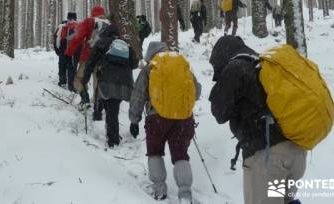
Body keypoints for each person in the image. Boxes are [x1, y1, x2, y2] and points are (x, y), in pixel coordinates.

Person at [208, 36, 306, 204]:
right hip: (295, 150)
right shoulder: (264, 65)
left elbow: (219, 112)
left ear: (221, 55)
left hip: (267, 158)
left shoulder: (235, 68)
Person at [129, 41, 201, 202]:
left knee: (155, 152)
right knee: (181, 155)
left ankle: (160, 189)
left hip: (157, 119)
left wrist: (134, 119)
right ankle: (185, 193)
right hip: (183, 118)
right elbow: (197, 91)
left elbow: (138, 95)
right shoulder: (181, 64)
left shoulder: (150, 68)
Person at [81, 24, 138, 147]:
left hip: (107, 80)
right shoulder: (125, 44)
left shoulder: (101, 43)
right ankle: (114, 134)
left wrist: (84, 80)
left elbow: (90, 63)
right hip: (125, 82)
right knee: (113, 108)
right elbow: (134, 64)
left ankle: (113, 140)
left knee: (111, 109)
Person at [65, 5, 110, 119]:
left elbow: (78, 37)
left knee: (79, 80)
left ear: (92, 13)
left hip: (88, 57)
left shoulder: (89, 21)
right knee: (98, 82)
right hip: (103, 59)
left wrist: (69, 52)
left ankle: (85, 99)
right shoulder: (109, 24)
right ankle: (98, 106)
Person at [53, 12, 78, 91]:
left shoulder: (61, 26)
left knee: (62, 65)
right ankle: (71, 86)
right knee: (72, 68)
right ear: (75, 18)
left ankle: (62, 82)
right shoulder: (78, 26)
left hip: (62, 51)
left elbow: (55, 38)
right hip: (73, 52)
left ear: (67, 17)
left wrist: (57, 51)